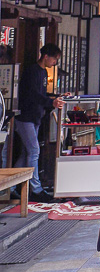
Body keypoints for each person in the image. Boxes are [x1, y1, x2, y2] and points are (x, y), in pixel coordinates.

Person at [14, 43, 64, 199]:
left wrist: (55, 97)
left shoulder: (42, 72)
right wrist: (52, 102)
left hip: (35, 117)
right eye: (54, 59)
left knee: (26, 154)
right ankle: (35, 189)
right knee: (34, 151)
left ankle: (12, 186)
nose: (55, 63)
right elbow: (34, 94)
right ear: (46, 56)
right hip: (25, 117)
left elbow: (42, 94)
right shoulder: (32, 71)